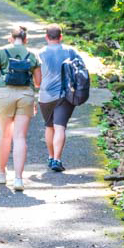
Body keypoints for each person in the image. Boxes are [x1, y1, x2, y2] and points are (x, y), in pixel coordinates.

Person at [0, 25, 41, 191]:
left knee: (5, 136)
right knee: (19, 137)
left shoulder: (0, 52)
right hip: (25, 95)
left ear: (11, 38)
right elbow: (38, 82)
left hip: (3, 95)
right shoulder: (32, 55)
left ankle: (1, 173)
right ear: (26, 39)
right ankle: (18, 179)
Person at [37, 24, 82, 172]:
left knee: (49, 126)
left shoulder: (40, 53)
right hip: (65, 95)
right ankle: (57, 159)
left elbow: (35, 75)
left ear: (46, 37)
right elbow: (81, 70)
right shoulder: (70, 51)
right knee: (60, 127)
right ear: (61, 37)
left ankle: (50, 157)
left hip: (45, 95)